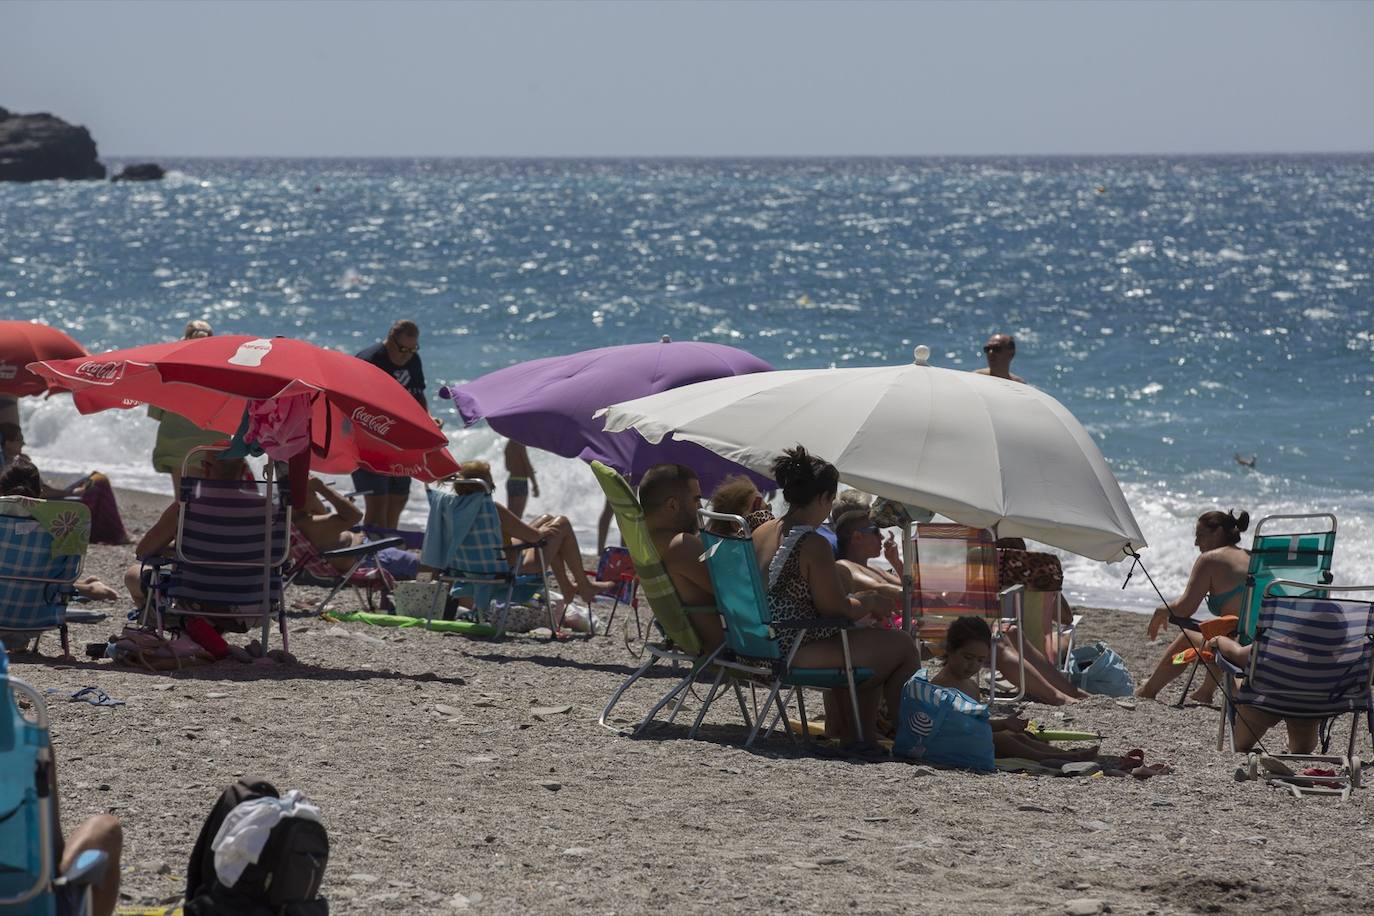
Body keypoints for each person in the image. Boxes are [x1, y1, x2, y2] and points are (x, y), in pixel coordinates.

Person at [751, 446, 920, 748]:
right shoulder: (810, 543)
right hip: (790, 648)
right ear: (822, 498)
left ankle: (859, 735)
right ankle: (905, 739)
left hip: (757, 642)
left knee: (869, 643)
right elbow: (835, 609)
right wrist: (869, 602)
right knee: (902, 647)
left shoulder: (761, 530)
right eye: (830, 500)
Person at [930, 617, 1103, 766]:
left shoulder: (970, 685)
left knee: (1020, 737)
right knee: (1004, 738)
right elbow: (964, 727)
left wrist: (1005, 725)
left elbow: (977, 722)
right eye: (968, 658)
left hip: (971, 736)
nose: (973, 665)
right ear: (950, 649)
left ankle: (1061, 754)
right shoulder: (943, 687)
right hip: (952, 743)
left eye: (980, 660)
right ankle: (1050, 757)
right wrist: (1003, 724)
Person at [458, 461, 609, 607]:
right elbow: (534, 537)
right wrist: (539, 533)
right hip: (509, 569)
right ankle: (584, 586)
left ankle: (567, 587)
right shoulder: (492, 510)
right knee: (561, 524)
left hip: (471, 568)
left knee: (546, 519)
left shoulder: (454, 509)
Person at [1137, 510, 1251, 702]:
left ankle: (1148, 690)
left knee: (1188, 636)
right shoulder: (1252, 556)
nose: (1196, 543)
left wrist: (1161, 610)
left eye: (1200, 536)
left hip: (1235, 644)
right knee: (1219, 629)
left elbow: (1184, 608)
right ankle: (1205, 692)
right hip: (1259, 640)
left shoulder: (1211, 559)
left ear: (1218, 533)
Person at [124, 455, 249, 606]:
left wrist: (177, 550)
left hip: (191, 600)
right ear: (243, 469)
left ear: (206, 469)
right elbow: (282, 556)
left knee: (132, 575)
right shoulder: (267, 510)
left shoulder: (185, 507)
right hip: (249, 603)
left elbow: (143, 551)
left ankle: (169, 621)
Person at [353, 320, 441, 530]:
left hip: (401, 443)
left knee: (399, 497)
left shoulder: (413, 360)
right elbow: (353, 404)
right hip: (369, 443)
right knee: (378, 503)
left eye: (413, 349)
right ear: (390, 340)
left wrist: (427, 420)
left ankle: (388, 548)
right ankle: (373, 552)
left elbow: (418, 395)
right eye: (403, 349)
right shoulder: (370, 360)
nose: (408, 354)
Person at [0, 455, 120, 601]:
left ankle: (90, 587)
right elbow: (66, 577)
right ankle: (90, 587)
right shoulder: (61, 526)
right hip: (41, 612)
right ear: (40, 492)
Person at [640, 463, 723, 653]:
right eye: (696, 500)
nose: (701, 507)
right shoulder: (681, 545)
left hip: (709, 647)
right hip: (738, 649)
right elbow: (741, 595)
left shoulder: (650, 543)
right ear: (672, 505)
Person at [1203, 634, 1317, 753]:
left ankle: (1241, 686)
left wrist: (1219, 640)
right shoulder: (1335, 653)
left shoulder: (1281, 644)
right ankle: (1292, 740)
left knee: (1242, 746)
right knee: (1301, 751)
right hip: (1308, 708)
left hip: (1265, 703)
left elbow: (1237, 654)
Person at [291, 476, 417, 580]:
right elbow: (356, 515)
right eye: (313, 494)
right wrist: (321, 487)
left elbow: (328, 515)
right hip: (370, 557)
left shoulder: (298, 525)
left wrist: (342, 504)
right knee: (424, 567)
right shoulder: (311, 524)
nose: (317, 497)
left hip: (363, 554)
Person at [148, 320, 222, 496]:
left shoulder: (169, 369)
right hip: (213, 447)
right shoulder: (223, 371)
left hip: (177, 447)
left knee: (182, 502)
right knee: (209, 501)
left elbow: (156, 413)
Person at [502, 439, 540, 519]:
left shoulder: (508, 446)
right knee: (517, 518)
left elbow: (507, 467)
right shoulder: (520, 444)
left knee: (510, 516)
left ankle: (506, 531)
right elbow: (527, 465)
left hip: (511, 480)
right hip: (521, 481)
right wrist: (535, 485)